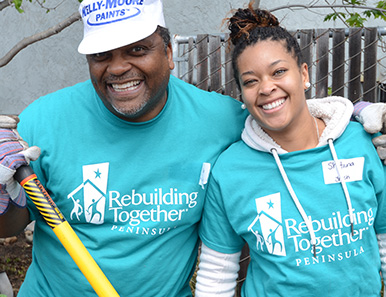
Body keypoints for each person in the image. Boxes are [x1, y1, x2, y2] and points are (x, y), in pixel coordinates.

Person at [0, 0, 384, 296]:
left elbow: (288, 127)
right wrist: (3, 193)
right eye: (102, 55)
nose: (117, 68)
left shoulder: (221, 121)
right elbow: (10, 225)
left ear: (168, 53)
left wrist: (355, 119)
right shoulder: (43, 122)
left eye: (136, 50)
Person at [195, 5, 386, 297]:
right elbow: (215, 276)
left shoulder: (359, 142)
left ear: (304, 74)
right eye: (250, 81)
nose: (266, 87)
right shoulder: (230, 170)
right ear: (242, 95)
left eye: (279, 71)